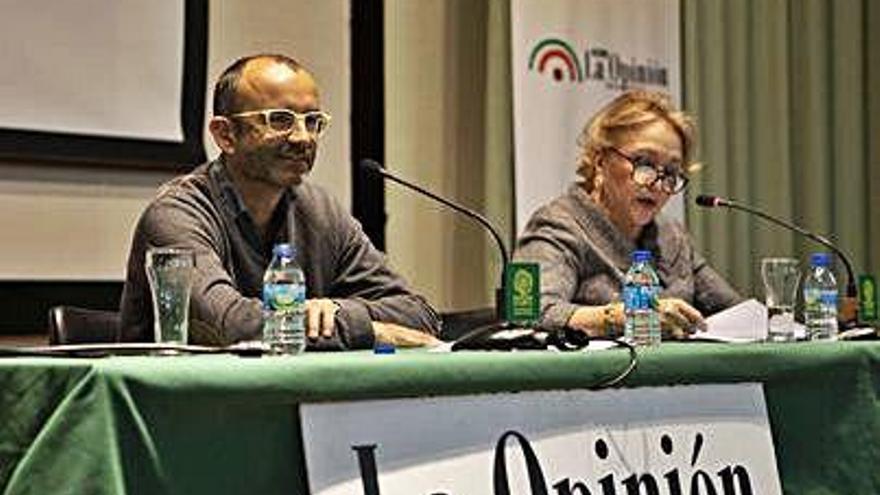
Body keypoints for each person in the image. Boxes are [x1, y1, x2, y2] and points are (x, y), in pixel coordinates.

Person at [120, 54, 440, 349]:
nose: (303, 138)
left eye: (312, 121)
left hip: (294, 402)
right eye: (280, 120)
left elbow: (419, 315)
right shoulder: (175, 214)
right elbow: (230, 326)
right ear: (225, 135)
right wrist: (368, 330)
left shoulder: (320, 211)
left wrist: (337, 309)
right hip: (178, 406)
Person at [514, 90, 742, 339]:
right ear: (600, 162)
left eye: (671, 172)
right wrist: (625, 317)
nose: (656, 182)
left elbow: (737, 313)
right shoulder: (556, 226)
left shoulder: (671, 236)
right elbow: (528, 313)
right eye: (643, 162)